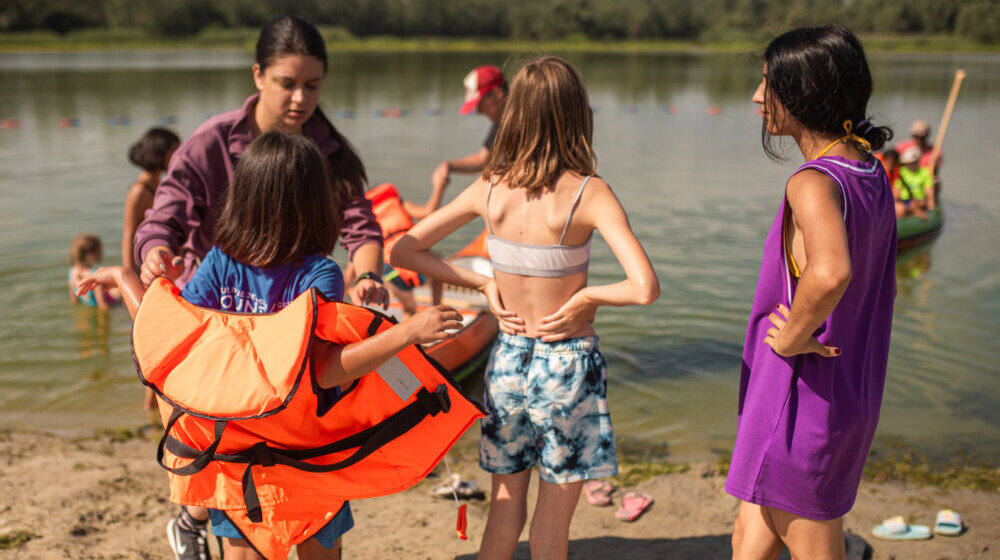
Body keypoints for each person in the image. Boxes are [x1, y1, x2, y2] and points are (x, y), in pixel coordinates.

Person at [76, 131, 463, 560]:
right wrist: (404, 334)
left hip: (256, 452)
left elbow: (174, 337)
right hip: (293, 453)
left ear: (246, 198)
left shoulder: (264, 268)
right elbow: (323, 371)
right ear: (314, 203)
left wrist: (126, 281)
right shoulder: (293, 271)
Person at [131, 16, 390, 559]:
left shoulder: (331, 153)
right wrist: (153, 254)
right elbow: (164, 218)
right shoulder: (210, 144)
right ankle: (193, 513)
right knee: (215, 451)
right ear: (259, 76)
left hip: (290, 336)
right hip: (222, 320)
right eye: (287, 83)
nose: (300, 99)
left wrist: (366, 279)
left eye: (313, 86)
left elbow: (362, 230)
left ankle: (203, 512)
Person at [392, 56, 660, 560]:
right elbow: (644, 288)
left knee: (504, 511)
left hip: (509, 361)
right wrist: (587, 296)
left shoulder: (489, 189)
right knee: (551, 526)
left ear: (514, 116)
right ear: (577, 114)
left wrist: (481, 285)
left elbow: (403, 251)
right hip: (567, 363)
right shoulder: (588, 192)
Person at [726, 26, 896, 560]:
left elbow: (830, 274)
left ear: (804, 94)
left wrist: (790, 339)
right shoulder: (868, 170)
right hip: (848, 391)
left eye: (768, 84)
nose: (757, 96)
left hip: (799, 397)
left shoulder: (812, 181)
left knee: (816, 546)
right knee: (748, 539)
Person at [430, 65, 507, 193]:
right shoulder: (501, 123)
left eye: (480, 104)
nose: (479, 111)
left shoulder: (523, 118)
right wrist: (449, 166)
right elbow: (484, 160)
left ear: (496, 93)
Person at [122, 127, 180, 272]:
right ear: (160, 153)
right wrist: (130, 274)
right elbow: (129, 235)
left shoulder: (162, 185)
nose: (179, 157)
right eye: (174, 151)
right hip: (146, 264)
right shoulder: (139, 190)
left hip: (162, 258)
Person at [68, 234, 120, 310]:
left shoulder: (72, 271)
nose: (102, 253)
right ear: (90, 254)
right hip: (109, 303)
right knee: (118, 288)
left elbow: (74, 300)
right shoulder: (94, 276)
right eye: (99, 250)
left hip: (89, 305)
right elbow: (103, 305)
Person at [895, 146, 935, 219]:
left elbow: (929, 192)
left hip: (920, 201)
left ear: (917, 161)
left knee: (920, 203)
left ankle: (917, 213)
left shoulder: (925, 173)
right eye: (908, 163)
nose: (910, 165)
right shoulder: (900, 172)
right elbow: (896, 193)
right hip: (904, 202)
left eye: (913, 163)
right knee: (899, 209)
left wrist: (931, 209)